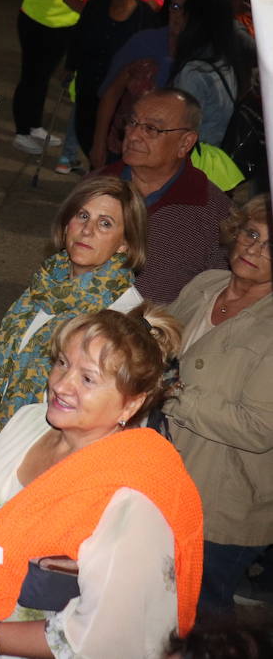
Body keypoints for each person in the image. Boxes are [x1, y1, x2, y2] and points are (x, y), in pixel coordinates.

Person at [0, 307, 203, 659]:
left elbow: (97, 637)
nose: (61, 385)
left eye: (88, 379)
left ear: (132, 403)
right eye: (63, 363)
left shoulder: (130, 499)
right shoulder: (29, 421)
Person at [164, 194, 273, 620]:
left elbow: (259, 427)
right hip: (164, 480)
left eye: (270, 245)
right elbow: (163, 342)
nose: (253, 249)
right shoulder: (206, 283)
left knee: (199, 619)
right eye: (251, 234)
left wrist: (174, 394)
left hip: (223, 509)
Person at [0, 175, 147, 431]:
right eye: (82, 216)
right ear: (67, 225)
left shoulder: (123, 316)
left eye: (105, 224)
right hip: (1, 436)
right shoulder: (45, 284)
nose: (88, 230)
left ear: (124, 244)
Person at [98, 89, 231, 304]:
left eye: (151, 128)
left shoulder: (214, 212)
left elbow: (216, 295)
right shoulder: (97, 185)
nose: (133, 135)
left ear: (185, 143)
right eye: (132, 122)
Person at [89, 0, 205, 169]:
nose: (178, 16)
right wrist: (98, 144)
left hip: (167, 157)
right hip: (124, 144)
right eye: (175, 7)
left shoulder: (204, 55)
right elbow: (111, 94)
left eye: (187, 11)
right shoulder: (143, 42)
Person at [68, 0, 159, 164]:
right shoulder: (96, 5)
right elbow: (79, 35)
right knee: (84, 126)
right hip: (90, 78)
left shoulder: (144, 16)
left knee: (113, 133)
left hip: (121, 87)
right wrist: (71, 66)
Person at [12, 0, 86, 155]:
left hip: (63, 26)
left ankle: (34, 126)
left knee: (43, 79)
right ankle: (22, 131)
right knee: (31, 77)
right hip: (38, 24)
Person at [168, 0, 251, 147]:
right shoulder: (225, 62)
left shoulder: (194, 71)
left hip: (195, 159)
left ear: (195, 20)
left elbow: (180, 129)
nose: (180, 16)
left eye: (185, 11)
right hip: (215, 157)